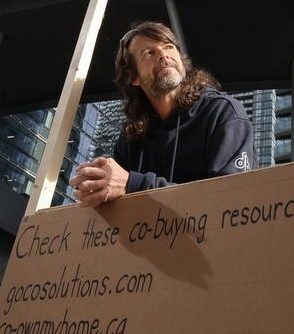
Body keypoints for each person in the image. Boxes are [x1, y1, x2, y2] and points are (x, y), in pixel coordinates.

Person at [69, 21, 255, 207]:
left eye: (168, 47)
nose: (163, 55)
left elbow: (233, 202)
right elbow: (116, 200)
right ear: (133, 77)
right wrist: (97, 186)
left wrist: (132, 184)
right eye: (149, 53)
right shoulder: (130, 140)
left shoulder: (223, 113)